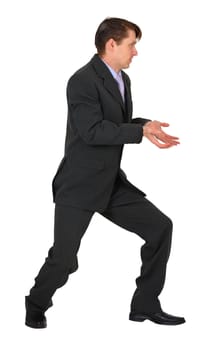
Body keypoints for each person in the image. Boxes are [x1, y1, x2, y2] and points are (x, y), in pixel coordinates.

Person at [25, 17, 185, 328]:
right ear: (111, 44)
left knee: (160, 228)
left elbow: (115, 121)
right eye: (131, 44)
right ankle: (35, 304)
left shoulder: (122, 80)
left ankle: (145, 305)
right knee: (64, 261)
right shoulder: (81, 81)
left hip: (110, 183)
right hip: (80, 185)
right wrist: (136, 133)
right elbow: (92, 131)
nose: (135, 52)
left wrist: (143, 126)